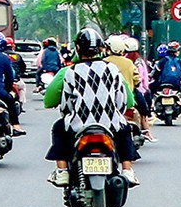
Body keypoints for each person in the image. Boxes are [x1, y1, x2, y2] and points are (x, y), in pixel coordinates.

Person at [43, 25, 138, 186]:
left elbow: (66, 104)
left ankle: (62, 172)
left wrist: (70, 115)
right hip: (111, 124)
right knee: (126, 130)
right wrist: (114, 114)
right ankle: (128, 171)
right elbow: (122, 100)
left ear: (78, 48)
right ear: (101, 48)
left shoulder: (71, 71)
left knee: (59, 128)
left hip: (79, 125)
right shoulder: (112, 69)